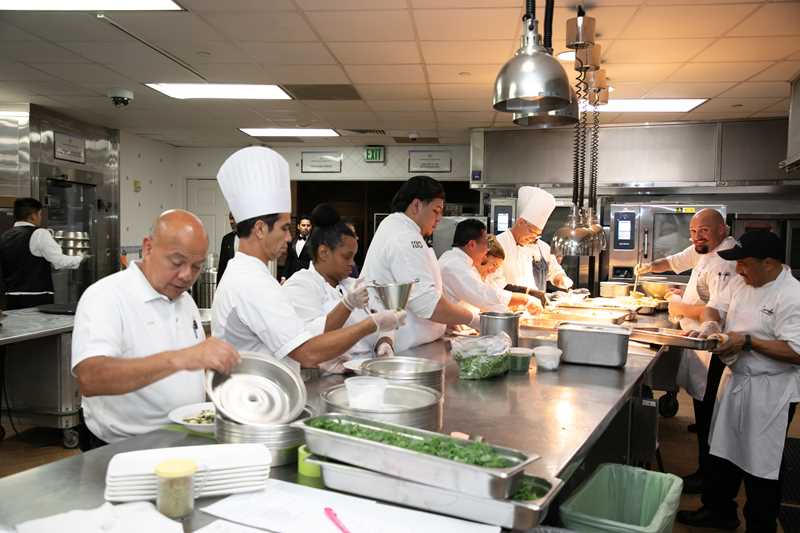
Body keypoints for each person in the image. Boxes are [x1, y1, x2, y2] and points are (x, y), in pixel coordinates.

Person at [212, 147, 405, 374]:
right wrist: (372, 324)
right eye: (284, 228)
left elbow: (301, 340)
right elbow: (307, 352)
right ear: (260, 229)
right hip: (255, 390)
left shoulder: (247, 274)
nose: (289, 237)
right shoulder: (252, 282)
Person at [70, 210, 240, 449]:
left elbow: (194, 367)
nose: (186, 276)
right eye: (177, 262)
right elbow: (91, 378)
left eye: (196, 266)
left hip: (183, 439)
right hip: (121, 447)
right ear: (148, 248)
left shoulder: (185, 301)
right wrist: (181, 358)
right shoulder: (106, 296)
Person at [677, 230, 800, 533]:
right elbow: (715, 306)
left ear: (769, 263)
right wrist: (710, 324)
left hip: (770, 391)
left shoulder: (792, 295)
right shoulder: (741, 281)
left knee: (760, 464)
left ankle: (760, 525)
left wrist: (747, 341)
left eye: (744, 263)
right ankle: (719, 511)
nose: (739, 269)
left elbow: (796, 351)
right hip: (734, 380)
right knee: (722, 452)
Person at [636, 208, 737, 493]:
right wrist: (647, 266)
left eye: (703, 230)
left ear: (722, 229)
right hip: (696, 338)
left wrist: (679, 306)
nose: (696, 237)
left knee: (710, 416)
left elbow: (716, 311)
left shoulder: (725, 261)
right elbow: (675, 261)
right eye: (693, 231)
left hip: (714, 347)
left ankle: (708, 478)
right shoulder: (704, 249)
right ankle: (707, 471)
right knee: (704, 411)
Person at [360, 176, 481, 353]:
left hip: (411, 343)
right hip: (399, 348)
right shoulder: (404, 236)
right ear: (416, 205)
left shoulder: (401, 229)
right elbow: (426, 303)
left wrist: (445, 321)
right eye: (436, 211)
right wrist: (475, 320)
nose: (439, 218)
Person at [284, 204, 394, 371]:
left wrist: (384, 341)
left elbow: (382, 318)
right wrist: (347, 305)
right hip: (328, 377)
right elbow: (312, 343)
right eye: (346, 257)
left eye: (354, 257)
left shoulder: (352, 284)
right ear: (324, 253)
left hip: (368, 369)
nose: (352, 264)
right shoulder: (301, 284)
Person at [439, 219, 542, 315]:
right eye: (486, 245)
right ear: (472, 245)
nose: (487, 251)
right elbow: (483, 295)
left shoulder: (463, 263)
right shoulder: (455, 264)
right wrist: (525, 299)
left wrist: (510, 307)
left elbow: (485, 300)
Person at [0, 197, 87, 309]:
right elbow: (59, 261)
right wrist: (80, 258)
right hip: (36, 297)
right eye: (40, 214)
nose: (40, 218)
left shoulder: (5, 236)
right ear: (33, 216)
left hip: (10, 298)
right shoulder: (40, 233)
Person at [494, 187, 565, 306]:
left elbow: (554, 271)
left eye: (538, 235)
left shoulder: (542, 247)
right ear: (520, 222)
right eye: (532, 232)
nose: (534, 238)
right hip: (507, 309)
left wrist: (561, 279)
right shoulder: (498, 244)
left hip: (534, 308)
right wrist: (528, 293)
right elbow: (495, 283)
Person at [216, 212, 237, 284]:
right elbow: (222, 266)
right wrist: (218, 287)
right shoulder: (226, 239)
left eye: (233, 218)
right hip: (230, 282)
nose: (231, 222)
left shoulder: (251, 238)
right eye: (230, 218)